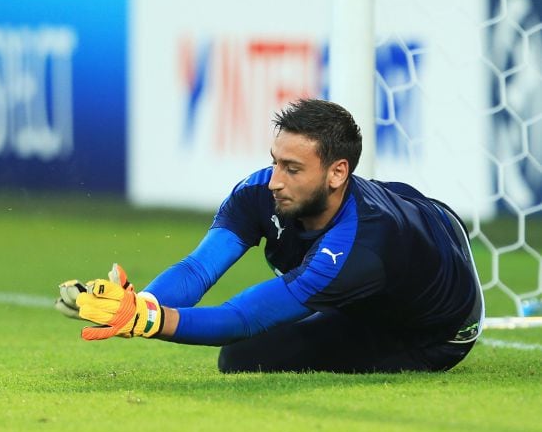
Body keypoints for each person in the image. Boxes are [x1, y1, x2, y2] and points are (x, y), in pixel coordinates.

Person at [56, 98, 484, 373]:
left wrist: (147, 322)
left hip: (435, 330)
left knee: (244, 357)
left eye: (292, 169)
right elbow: (199, 267)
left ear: (338, 173)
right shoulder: (260, 191)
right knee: (256, 349)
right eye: (275, 162)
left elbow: (244, 317)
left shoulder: (358, 249)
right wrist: (141, 304)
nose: (275, 181)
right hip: (421, 219)